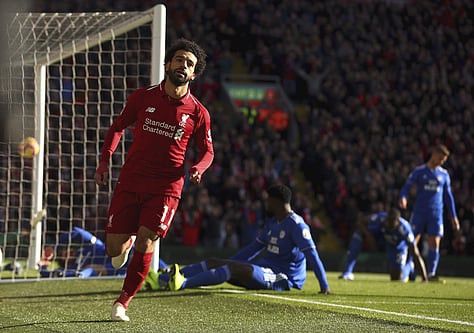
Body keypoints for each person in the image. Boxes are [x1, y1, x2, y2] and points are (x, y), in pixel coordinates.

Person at [95, 38, 214, 322]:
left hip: (166, 186)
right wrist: (104, 160)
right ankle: (129, 237)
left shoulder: (198, 113)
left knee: (147, 241)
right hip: (131, 179)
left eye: (189, 64)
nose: (183, 66)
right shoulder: (142, 97)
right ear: (167, 64)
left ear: (194, 74)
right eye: (179, 60)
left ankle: (122, 302)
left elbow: (208, 150)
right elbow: (117, 127)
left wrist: (199, 167)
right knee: (114, 249)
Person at [145, 184, 332, 294]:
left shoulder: (297, 225)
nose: (266, 203)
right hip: (266, 269)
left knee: (230, 268)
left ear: (275, 202)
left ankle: (181, 284)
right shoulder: (273, 223)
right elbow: (252, 249)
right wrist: (228, 260)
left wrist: (324, 285)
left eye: (268, 200)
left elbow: (312, 255)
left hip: (283, 279)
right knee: (214, 262)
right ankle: (162, 280)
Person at [398, 144, 460, 280]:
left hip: (436, 214)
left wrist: (454, 217)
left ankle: (431, 273)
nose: (441, 162)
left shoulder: (443, 174)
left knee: (435, 242)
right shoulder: (419, 171)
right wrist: (403, 197)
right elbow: (406, 187)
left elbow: (448, 197)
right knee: (412, 242)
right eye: (440, 158)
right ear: (434, 154)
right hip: (419, 212)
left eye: (443, 161)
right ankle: (408, 271)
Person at [38, 226, 168, 278]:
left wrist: (54, 247)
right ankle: (82, 275)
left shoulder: (89, 246)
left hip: (124, 253)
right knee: (95, 269)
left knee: (140, 251)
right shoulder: (74, 267)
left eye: (66, 250)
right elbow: (57, 274)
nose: (68, 252)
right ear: (64, 262)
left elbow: (76, 232)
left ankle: (166, 270)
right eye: (64, 255)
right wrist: (42, 267)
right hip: (112, 269)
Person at [338, 209, 428, 282]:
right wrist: (369, 236)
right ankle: (347, 272)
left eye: (390, 222)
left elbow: (415, 253)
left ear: (397, 222)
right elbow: (360, 222)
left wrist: (424, 278)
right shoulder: (381, 218)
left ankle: (409, 267)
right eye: (387, 220)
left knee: (396, 279)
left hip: (397, 247)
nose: (387, 223)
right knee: (358, 234)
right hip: (382, 238)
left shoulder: (405, 230)